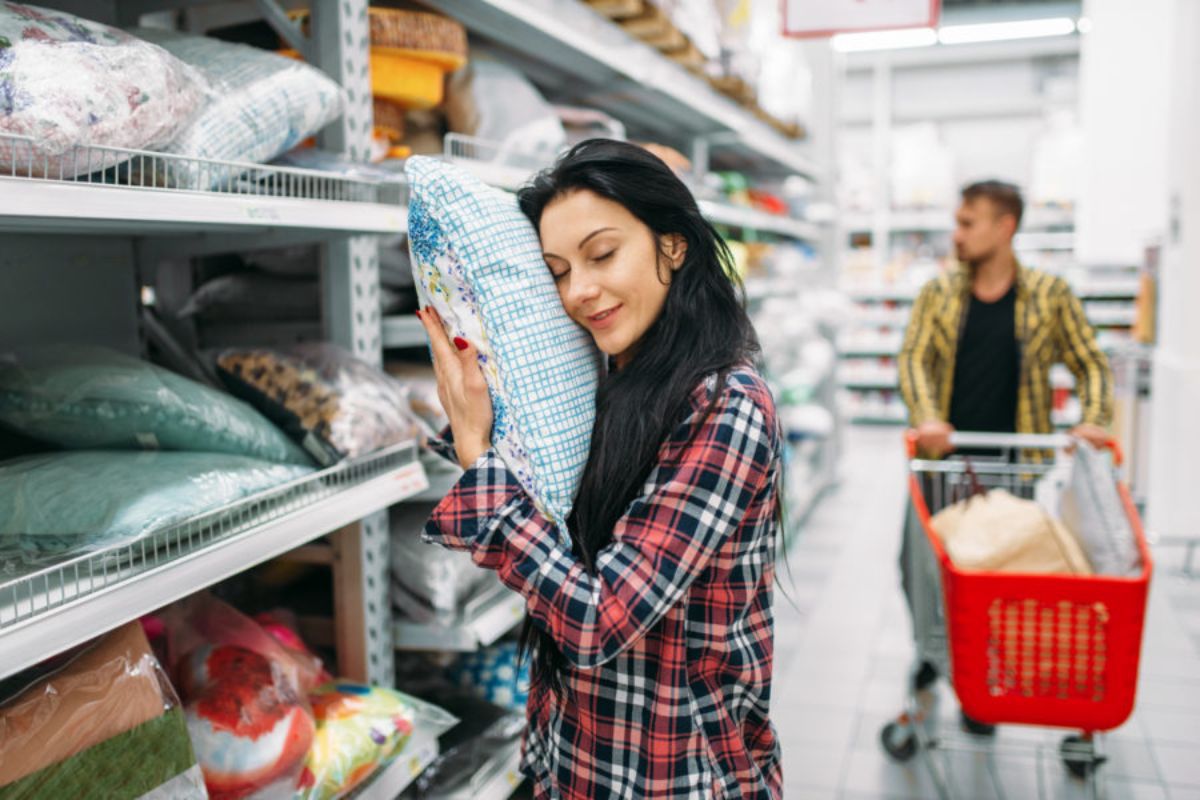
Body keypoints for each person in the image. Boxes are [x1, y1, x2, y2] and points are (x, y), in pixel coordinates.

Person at [416, 139, 784, 799]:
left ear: (673, 244)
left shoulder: (726, 404)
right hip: (575, 765)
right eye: (557, 271)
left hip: (679, 778)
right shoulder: (608, 378)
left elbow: (598, 617)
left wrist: (479, 460)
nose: (579, 292)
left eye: (602, 254)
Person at [895, 179, 1114, 728]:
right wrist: (926, 416)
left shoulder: (1049, 294)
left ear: (1005, 226)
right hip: (942, 463)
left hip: (1013, 465)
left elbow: (1092, 363)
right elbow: (913, 359)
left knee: (992, 574)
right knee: (917, 567)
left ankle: (980, 676)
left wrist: (1094, 419)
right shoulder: (938, 293)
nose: (958, 234)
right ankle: (933, 650)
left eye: (969, 222)